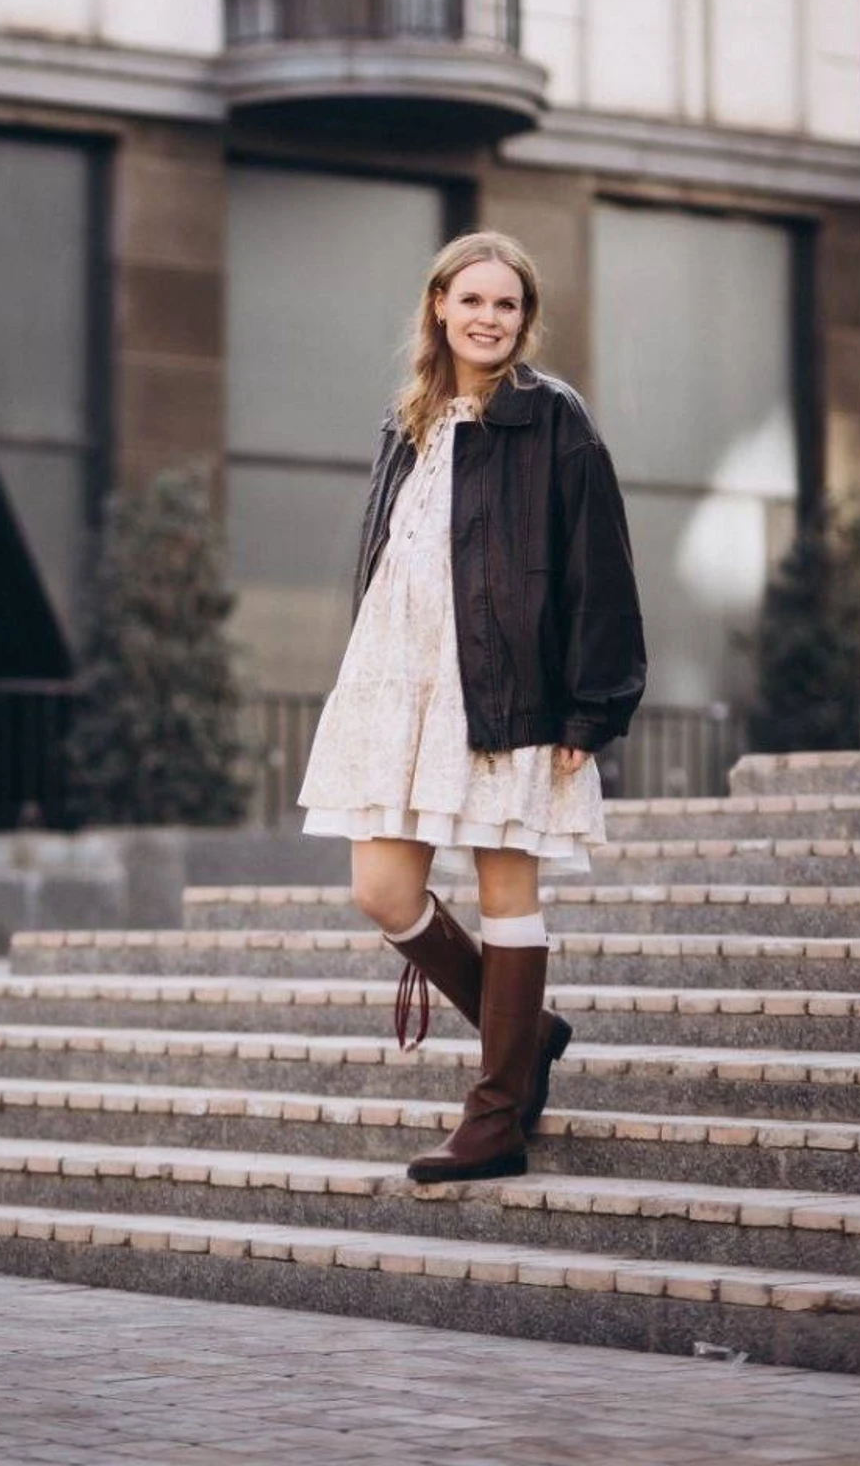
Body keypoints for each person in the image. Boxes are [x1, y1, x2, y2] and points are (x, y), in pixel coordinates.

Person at [297, 230, 645, 1184]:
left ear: (524, 320)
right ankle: (526, 1033)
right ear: (439, 307)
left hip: (506, 680)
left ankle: (495, 1119)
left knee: (505, 889)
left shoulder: (553, 418)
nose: (488, 318)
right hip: (397, 679)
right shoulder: (406, 418)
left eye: (507, 304)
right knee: (382, 891)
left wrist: (591, 707)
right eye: (472, 300)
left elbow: (599, 567)